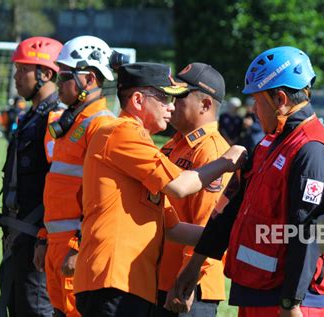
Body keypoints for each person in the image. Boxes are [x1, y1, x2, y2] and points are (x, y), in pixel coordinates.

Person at [166, 46, 324, 317]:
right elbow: (230, 209)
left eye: (258, 102)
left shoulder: (312, 150)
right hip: (257, 290)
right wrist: (195, 263)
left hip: (289, 300)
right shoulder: (270, 142)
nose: (255, 112)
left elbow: (309, 232)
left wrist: (291, 304)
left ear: (280, 99)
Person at [72, 62, 247, 317]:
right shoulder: (122, 133)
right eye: (165, 98)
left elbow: (173, 227)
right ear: (139, 100)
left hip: (131, 284)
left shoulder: (144, 142)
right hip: (113, 280)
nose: (171, 106)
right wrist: (225, 162)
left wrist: (231, 236)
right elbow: (179, 186)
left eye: (176, 99)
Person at [34, 35, 126, 316]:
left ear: (88, 79)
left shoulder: (102, 125)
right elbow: (59, 188)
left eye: (64, 76)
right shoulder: (74, 120)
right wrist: (43, 237)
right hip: (55, 244)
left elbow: (103, 196)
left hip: (77, 248)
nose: (58, 83)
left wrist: (75, 245)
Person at [0, 36, 64, 317]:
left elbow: (60, 186)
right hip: (18, 233)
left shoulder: (55, 119)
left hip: (37, 239)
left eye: (23, 70)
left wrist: (43, 239)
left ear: (45, 74)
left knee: (35, 308)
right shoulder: (32, 115)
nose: (16, 76)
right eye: (17, 69)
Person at [156, 63, 231, 317]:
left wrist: (186, 281)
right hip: (162, 279)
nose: (170, 103)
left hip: (189, 287)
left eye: (179, 97)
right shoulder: (174, 144)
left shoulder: (212, 151)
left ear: (205, 105)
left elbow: (208, 226)